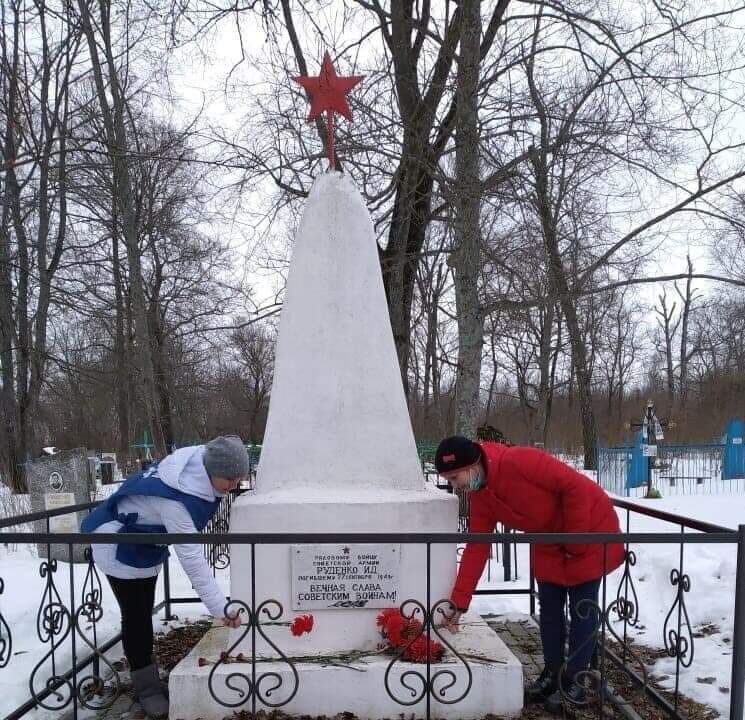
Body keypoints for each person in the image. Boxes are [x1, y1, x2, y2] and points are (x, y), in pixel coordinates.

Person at [434, 435, 625, 715]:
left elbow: (574, 486)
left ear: (472, 465)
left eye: (455, 477)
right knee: (549, 607)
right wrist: (459, 602)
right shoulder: (481, 496)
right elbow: (477, 546)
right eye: (449, 480)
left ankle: (578, 679)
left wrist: (576, 543)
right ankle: (553, 673)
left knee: (582, 608)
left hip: (587, 528)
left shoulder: (518, 461)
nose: (455, 486)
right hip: (549, 540)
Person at [81, 436, 249, 718]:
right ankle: (146, 688)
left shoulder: (199, 471)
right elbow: (192, 558)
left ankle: (148, 676)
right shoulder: (176, 502)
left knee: (142, 611)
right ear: (212, 471)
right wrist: (220, 607)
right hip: (118, 543)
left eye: (239, 479)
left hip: (144, 545)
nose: (234, 485)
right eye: (229, 479)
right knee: (136, 616)